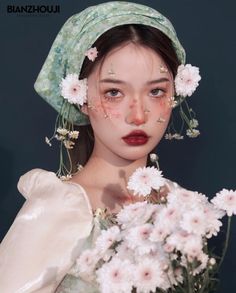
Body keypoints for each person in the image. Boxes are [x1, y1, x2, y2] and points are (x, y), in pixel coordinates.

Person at [0, 1, 201, 292]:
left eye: (156, 91)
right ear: (80, 97)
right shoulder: (61, 208)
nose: (138, 115)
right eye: (114, 92)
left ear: (176, 91)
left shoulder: (181, 205)